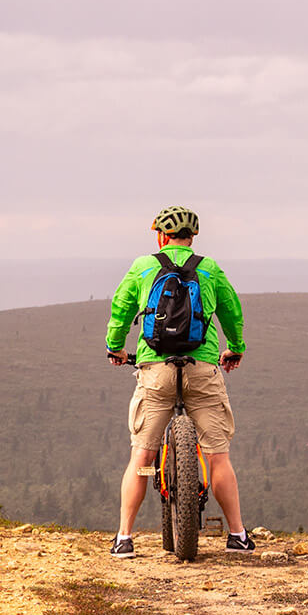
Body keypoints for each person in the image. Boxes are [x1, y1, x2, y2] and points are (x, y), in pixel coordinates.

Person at [105, 205, 249, 557]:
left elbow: (121, 309)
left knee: (142, 455)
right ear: (193, 237)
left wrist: (116, 347)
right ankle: (237, 536)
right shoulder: (209, 268)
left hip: (156, 371)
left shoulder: (143, 266)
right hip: (202, 369)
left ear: (160, 236)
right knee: (218, 456)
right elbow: (232, 312)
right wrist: (236, 348)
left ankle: (124, 538)